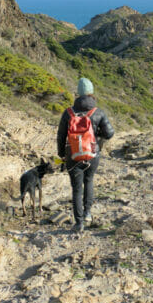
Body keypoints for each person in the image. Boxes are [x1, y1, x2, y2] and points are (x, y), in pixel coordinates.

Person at [57, 77, 114, 232]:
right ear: (91, 93)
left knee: (76, 188)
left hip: (73, 156)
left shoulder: (68, 113)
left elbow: (61, 137)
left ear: (78, 93)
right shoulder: (98, 112)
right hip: (92, 154)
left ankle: (79, 223)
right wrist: (97, 134)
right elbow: (110, 134)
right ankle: (88, 213)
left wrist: (62, 155)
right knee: (89, 181)